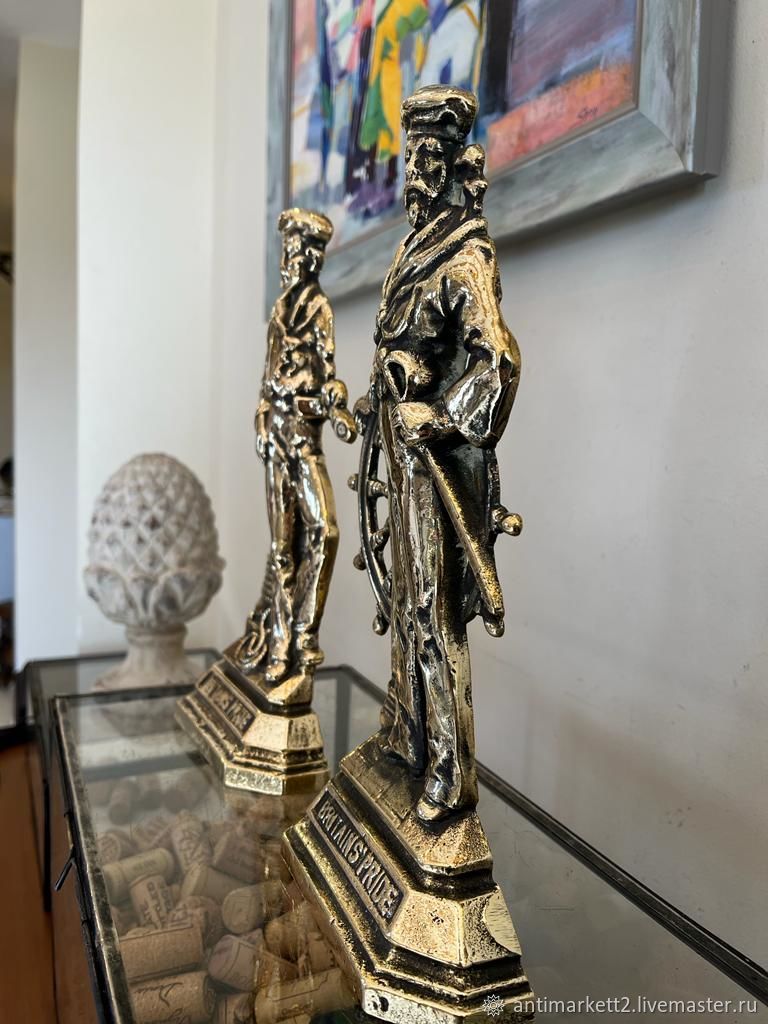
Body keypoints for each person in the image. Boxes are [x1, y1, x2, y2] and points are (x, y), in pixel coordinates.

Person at [363, 86, 521, 822]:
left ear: (454, 165)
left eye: (428, 160)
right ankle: (409, 736)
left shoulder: (465, 256)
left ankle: (451, 775)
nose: (415, 176)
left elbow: (498, 362)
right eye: (410, 160)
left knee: (433, 610)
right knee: (405, 604)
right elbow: (399, 348)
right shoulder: (412, 249)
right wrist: (383, 393)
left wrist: (440, 415)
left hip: (435, 465)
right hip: (397, 457)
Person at [234, 209, 356, 685]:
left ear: (308, 257)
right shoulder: (280, 309)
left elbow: (328, 376)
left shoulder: (319, 308)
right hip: (276, 441)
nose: (286, 261)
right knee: (283, 549)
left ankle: (304, 633)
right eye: (285, 251)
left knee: (325, 531)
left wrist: (333, 402)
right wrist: (262, 418)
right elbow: (267, 379)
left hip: (305, 440)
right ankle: (281, 645)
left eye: (291, 252)